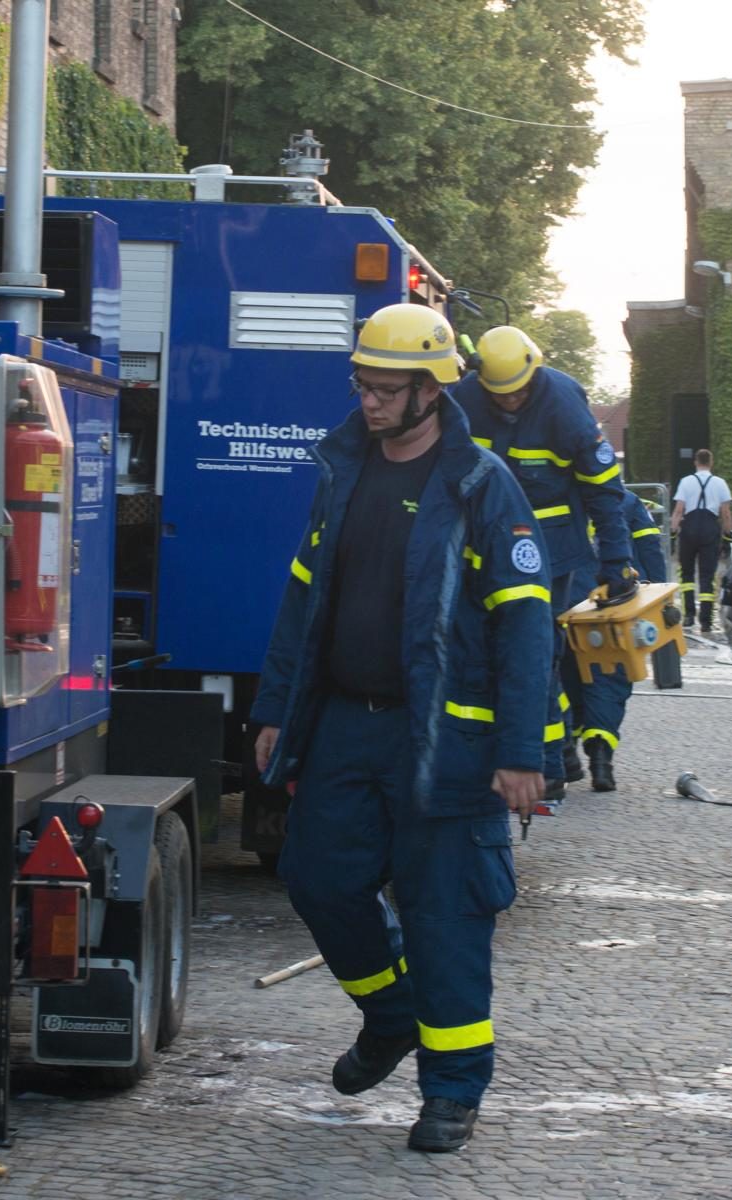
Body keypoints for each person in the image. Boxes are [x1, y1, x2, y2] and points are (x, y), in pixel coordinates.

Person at [250, 304, 551, 1154]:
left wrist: (523, 752)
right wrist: (275, 709)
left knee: (444, 912)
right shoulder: (342, 470)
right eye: (363, 384)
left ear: (430, 392)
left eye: (385, 389)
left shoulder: (481, 486)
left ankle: (452, 1091)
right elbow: (303, 599)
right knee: (317, 879)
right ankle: (390, 1016)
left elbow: (526, 625)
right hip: (346, 725)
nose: (369, 401)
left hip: (446, 740)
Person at [452, 326, 633, 813]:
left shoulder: (564, 404)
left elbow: (604, 490)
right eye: (500, 395)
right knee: (485, 649)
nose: (511, 402)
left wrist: (615, 561)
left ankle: (549, 765)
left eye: (520, 392)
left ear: (535, 373)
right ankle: (551, 756)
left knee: (535, 651)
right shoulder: (465, 397)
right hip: (483, 547)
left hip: (549, 553)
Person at [559, 491, 670, 791]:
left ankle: (566, 749)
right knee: (610, 677)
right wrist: (660, 598)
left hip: (562, 602)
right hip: (612, 606)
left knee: (566, 678)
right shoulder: (629, 501)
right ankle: (601, 760)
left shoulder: (553, 494)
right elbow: (649, 549)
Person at [670, 449, 732, 632]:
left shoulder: (686, 482)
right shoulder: (720, 483)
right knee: (707, 575)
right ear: (711, 462)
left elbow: (678, 511)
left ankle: (689, 616)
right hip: (709, 529)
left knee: (686, 574)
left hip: (689, 528)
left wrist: (673, 534)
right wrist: (727, 537)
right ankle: (706, 620)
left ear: (696, 462)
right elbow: (726, 514)